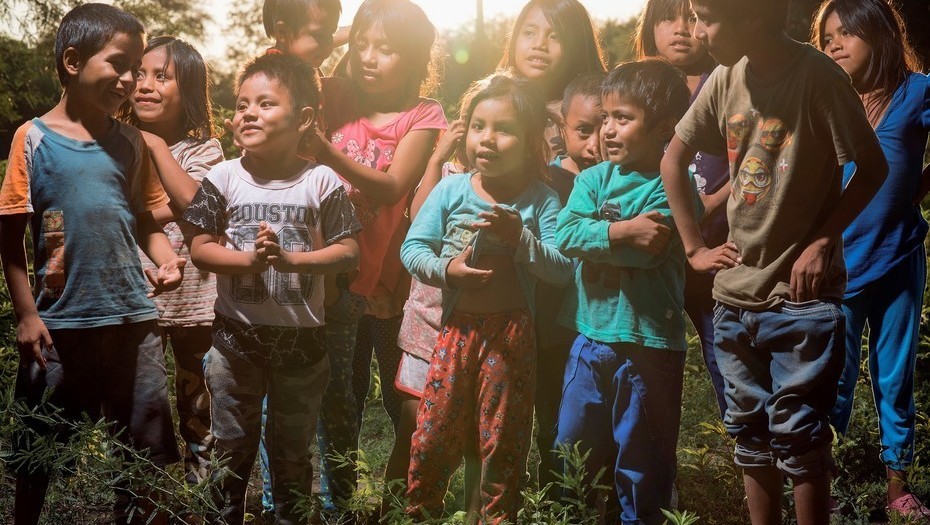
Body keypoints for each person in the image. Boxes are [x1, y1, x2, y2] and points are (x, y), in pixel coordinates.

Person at [661, 1, 888, 523]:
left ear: (753, 18)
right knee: (749, 435)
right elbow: (672, 158)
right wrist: (694, 246)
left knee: (801, 439)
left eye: (706, 17)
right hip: (735, 297)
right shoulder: (724, 78)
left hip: (801, 301)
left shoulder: (819, 78)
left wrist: (826, 236)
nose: (697, 30)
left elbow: (873, 167)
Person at [0, 4, 185, 524]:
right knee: (38, 448)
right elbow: (10, 236)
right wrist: (26, 315)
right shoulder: (31, 139)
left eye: (137, 68)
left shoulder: (131, 144)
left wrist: (167, 260)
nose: (129, 80)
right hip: (59, 325)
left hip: (133, 320)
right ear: (73, 61)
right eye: (119, 64)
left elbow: (147, 222)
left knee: (144, 449)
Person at [183, 53, 361, 525]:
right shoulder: (221, 178)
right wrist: (248, 259)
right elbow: (199, 247)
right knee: (231, 451)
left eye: (265, 103)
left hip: (303, 344)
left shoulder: (321, 182)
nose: (248, 114)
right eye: (242, 104)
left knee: (293, 455)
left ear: (303, 118)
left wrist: (291, 260)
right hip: (235, 343)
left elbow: (349, 252)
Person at [401, 73, 573, 524]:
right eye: (478, 126)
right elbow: (412, 249)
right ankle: (421, 514)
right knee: (432, 436)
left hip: (512, 338)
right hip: (455, 334)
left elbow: (562, 269)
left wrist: (521, 239)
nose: (487, 139)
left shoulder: (542, 200)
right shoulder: (451, 190)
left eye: (504, 129)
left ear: (531, 139)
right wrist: (447, 270)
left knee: (503, 442)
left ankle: (497, 519)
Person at [306, 0, 447, 511]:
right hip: (331, 281)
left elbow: (391, 189)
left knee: (400, 399)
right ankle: (336, 503)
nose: (368, 57)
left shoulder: (424, 115)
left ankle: (400, 503)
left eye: (385, 49)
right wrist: (355, 28)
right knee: (338, 398)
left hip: (389, 286)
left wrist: (327, 151)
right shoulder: (336, 95)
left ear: (413, 56)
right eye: (362, 45)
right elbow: (284, 58)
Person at [555, 59, 695, 524]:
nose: (607, 132)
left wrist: (606, 238)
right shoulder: (592, 179)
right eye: (604, 120)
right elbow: (565, 235)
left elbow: (649, 249)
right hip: (589, 339)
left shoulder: (673, 185)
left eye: (623, 118)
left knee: (642, 460)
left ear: (663, 127)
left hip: (647, 346)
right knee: (571, 446)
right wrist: (620, 233)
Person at [814, 0, 930, 517]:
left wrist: (920, 187)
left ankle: (897, 486)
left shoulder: (917, 91)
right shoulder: (825, 100)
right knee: (828, 375)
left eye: (845, 33)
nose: (833, 44)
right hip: (838, 264)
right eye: (827, 37)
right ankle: (821, 481)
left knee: (894, 374)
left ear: (878, 34)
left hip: (899, 256)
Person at [119, 35, 224, 485]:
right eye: (139, 74)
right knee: (137, 398)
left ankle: (201, 491)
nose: (145, 85)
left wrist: (157, 150)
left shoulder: (206, 152)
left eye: (161, 77)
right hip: (136, 292)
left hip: (194, 298)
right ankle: (140, 489)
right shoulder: (118, 144)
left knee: (197, 399)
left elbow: (194, 202)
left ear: (191, 93)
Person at [634, 0, 730, 418]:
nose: (681, 28)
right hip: (655, 256)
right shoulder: (636, 86)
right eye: (667, 18)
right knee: (646, 365)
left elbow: (754, 159)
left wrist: (710, 203)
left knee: (725, 355)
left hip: (718, 248)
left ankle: (749, 454)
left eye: (692, 17)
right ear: (650, 26)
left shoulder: (727, 80)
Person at [497, 0, 606, 162]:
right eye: (529, 33)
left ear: (578, 46)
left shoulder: (597, 109)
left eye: (555, 36)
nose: (539, 44)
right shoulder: (492, 103)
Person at [261, 0, 341, 66]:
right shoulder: (275, 75)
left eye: (332, 33)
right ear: (283, 32)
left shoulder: (300, 65)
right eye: (320, 35)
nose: (329, 45)